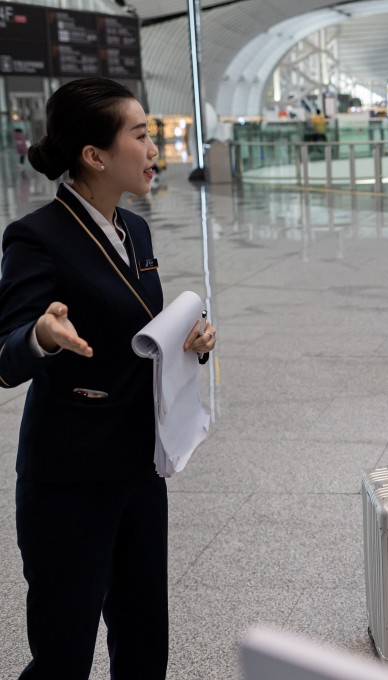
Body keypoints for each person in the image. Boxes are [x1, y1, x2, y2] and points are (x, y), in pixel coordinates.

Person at [0, 77, 217, 679]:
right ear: (94, 156)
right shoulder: (36, 237)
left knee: (145, 639)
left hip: (140, 466)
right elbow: (5, 354)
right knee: (63, 652)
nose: (154, 150)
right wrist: (41, 336)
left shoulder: (135, 230)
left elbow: (139, 334)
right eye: (141, 135)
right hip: (70, 478)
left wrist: (189, 340)